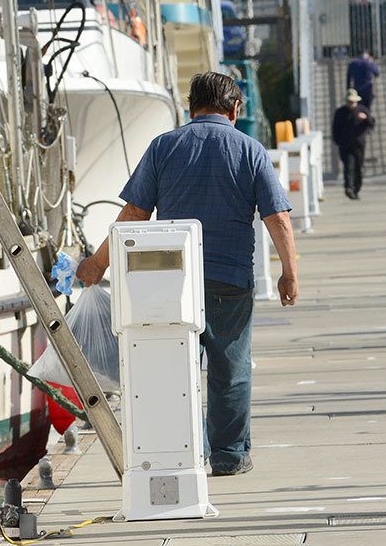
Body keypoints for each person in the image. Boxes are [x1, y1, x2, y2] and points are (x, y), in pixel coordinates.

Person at [76, 71, 299, 477]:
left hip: (170, 283)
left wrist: (97, 264)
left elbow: (133, 215)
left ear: (190, 108)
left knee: (174, 369)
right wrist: (290, 273)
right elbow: (278, 218)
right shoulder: (249, 149)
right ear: (234, 109)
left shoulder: (164, 147)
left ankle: (184, 453)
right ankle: (229, 457)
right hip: (230, 281)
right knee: (231, 370)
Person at [332, 89, 375, 200]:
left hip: (359, 144)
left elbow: (371, 124)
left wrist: (366, 118)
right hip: (345, 145)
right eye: (350, 101)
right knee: (348, 166)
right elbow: (335, 129)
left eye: (353, 102)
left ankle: (356, 188)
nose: (351, 104)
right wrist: (338, 141)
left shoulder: (362, 110)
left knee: (358, 167)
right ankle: (349, 188)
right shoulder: (340, 112)